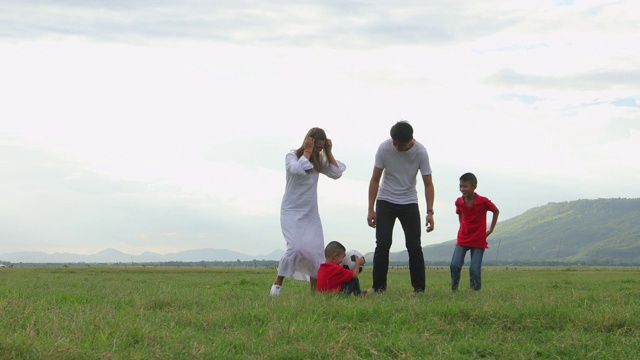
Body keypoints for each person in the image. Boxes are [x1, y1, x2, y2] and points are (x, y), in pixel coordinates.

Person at [270, 127, 347, 297]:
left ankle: (314, 291)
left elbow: (337, 173)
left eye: (320, 147)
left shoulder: (319, 161)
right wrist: (307, 151)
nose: (317, 150)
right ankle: (278, 284)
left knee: (315, 252)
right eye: (316, 146)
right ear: (308, 141)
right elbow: (297, 170)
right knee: (295, 248)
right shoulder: (292, 157)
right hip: (291, 211)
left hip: (310, 214)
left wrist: (328, 152)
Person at [367, 121, 435, 293]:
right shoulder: (384, 148)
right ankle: (378, 287)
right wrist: (370, 209)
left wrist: (429, 211)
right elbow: (375, 179)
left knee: (414, 245)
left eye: (398, 144)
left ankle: (419, 289)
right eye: (393, 141)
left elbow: (428, 184)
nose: (395, 145)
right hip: (386, 200)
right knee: (383, 244)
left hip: (409, 201)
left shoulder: (421, 152)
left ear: (410, 140)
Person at [450, 172, 499, 291]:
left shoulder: (483, 201)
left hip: (478, 239)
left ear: (474, 186)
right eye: (460, 186)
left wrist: (491, 229)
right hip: (463, 237)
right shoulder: (459, 202)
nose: (462, 189)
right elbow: (460, 214)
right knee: (454, 264)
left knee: (474, 268)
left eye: (465, 186)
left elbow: (496, 211)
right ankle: (454, 289)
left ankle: (475, 292)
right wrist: (462, 226)